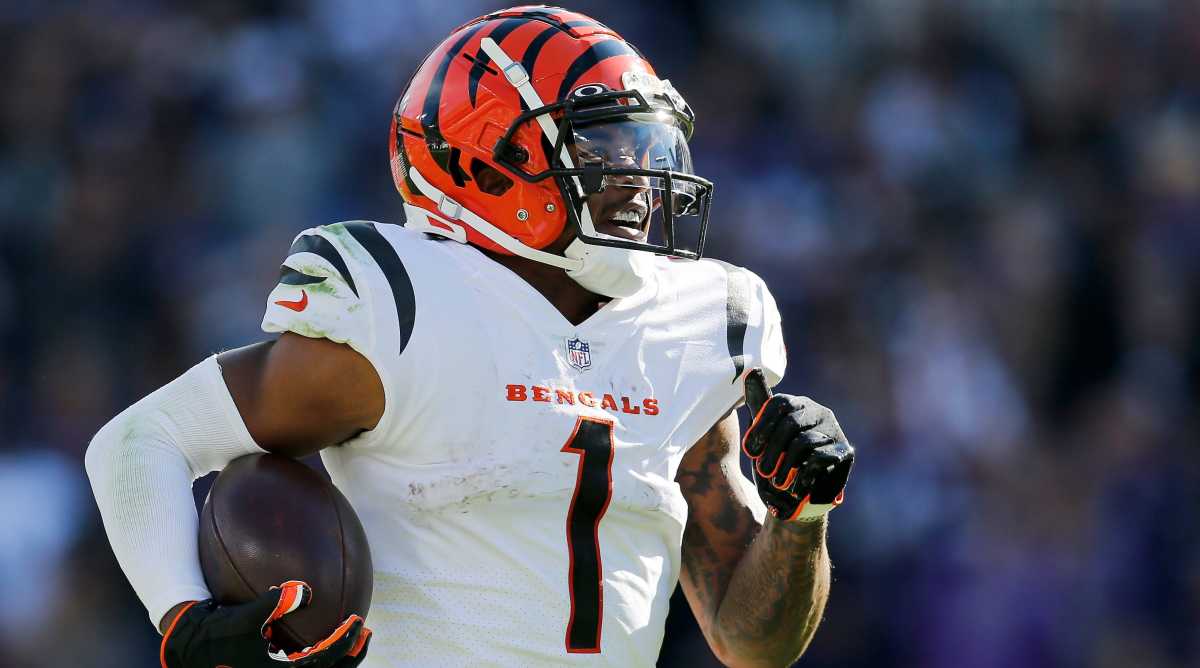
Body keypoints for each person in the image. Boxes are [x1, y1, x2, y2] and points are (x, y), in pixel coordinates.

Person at [85, 6, 855, 667]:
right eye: (602, 148)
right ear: (487, 163)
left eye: (644, 146)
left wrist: (801, 518)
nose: (637, 176)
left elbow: (752, 645)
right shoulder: (406, 308)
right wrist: (182, 613)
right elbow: (142, 440)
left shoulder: (697, 324)